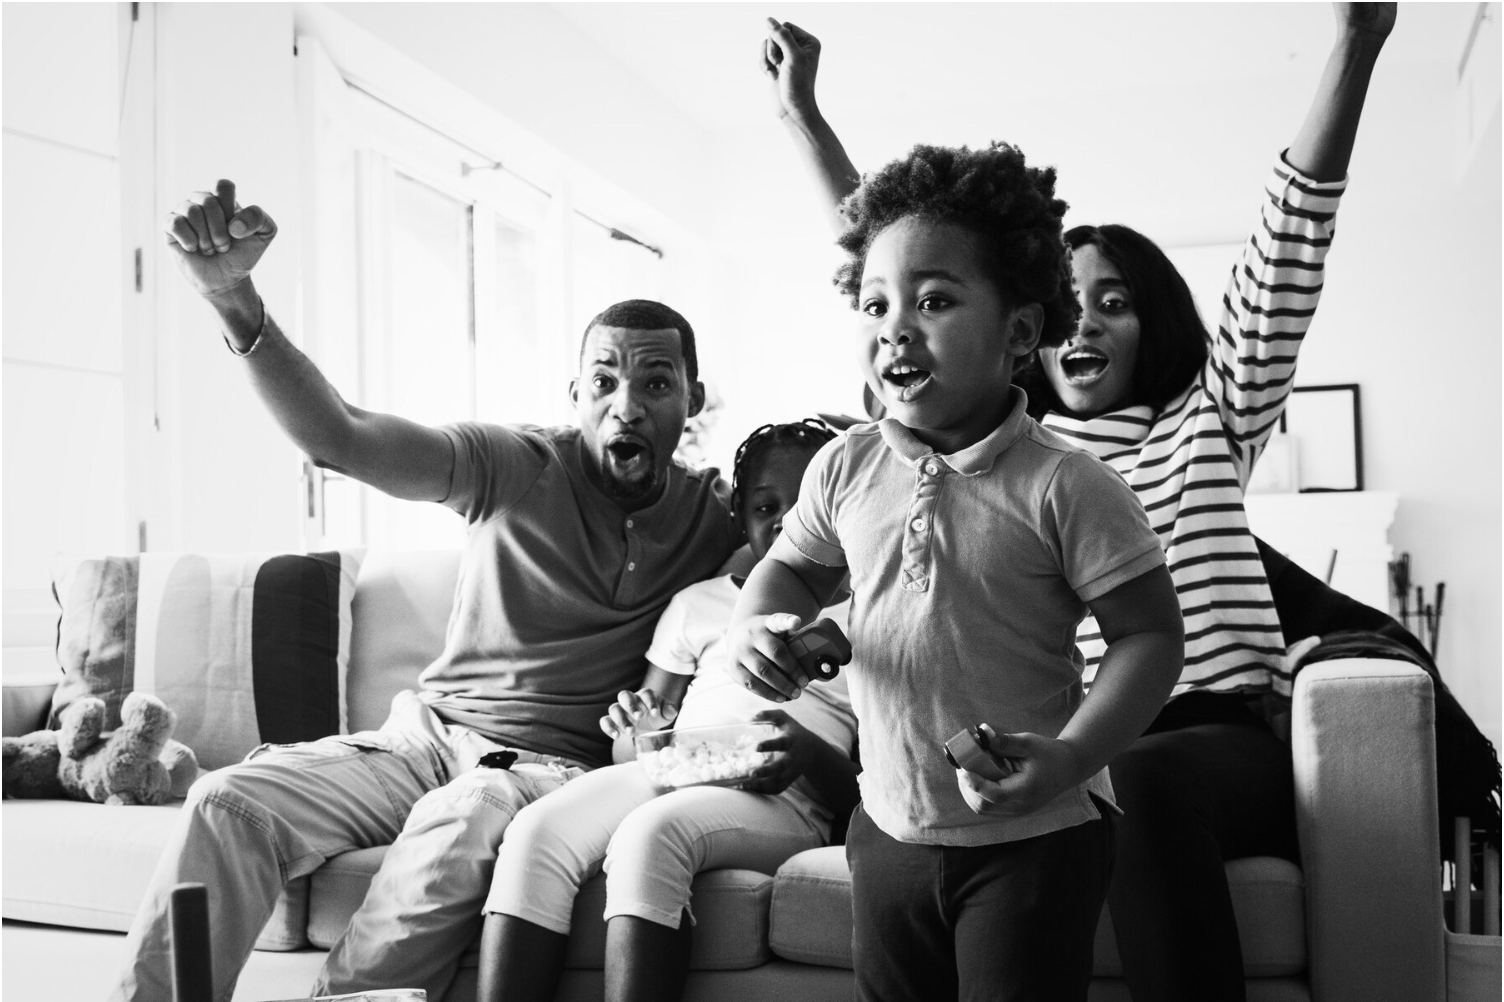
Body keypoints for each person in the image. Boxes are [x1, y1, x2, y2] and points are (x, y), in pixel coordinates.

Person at [761, 6, 1395, 999]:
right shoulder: (997, 442)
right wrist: (804, 121)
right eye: (1075, 304)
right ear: (1029, 335)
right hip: (1033, 742)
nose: (1088, 320)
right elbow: (905, 263)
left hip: (1204, 730)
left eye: (1117, 300)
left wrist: (1352, 48)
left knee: (1129, 784)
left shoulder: (1209, 416)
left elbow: (1284, 255)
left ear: (1158, 325)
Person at [108, 181, 739, 1002]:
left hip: (547, 772)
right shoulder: (514, 465)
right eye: (604, 381)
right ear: (574, 396)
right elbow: (341, 438)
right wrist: (234, 299)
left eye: (656, 383)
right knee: (230, 801)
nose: (627, 404)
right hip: (422, 743)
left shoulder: (719, 519)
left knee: (465, 812)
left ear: (692, 399)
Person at [726, 138, 1186, 1002]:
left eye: (933, 300)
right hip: (888, 825)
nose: (894, 325)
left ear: (1019, 332)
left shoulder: (1067, 484)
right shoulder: (843, 466)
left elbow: (1151, 636)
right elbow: (787, 569)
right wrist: (762, 626)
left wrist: (1072, 753)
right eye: (873, 303)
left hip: (1037, 834)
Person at [474, 418, 858, 1002]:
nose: (785, 519)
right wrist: (643, 736)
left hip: (789, 799)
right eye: (765, 505)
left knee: (650, 834)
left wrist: (804, 753)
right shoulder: (698, 605)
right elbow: (633, 747)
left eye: (805, 503)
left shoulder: (871, 615)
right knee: (534, 830)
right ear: (739, 517)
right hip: (683, 770)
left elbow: (871, 791)